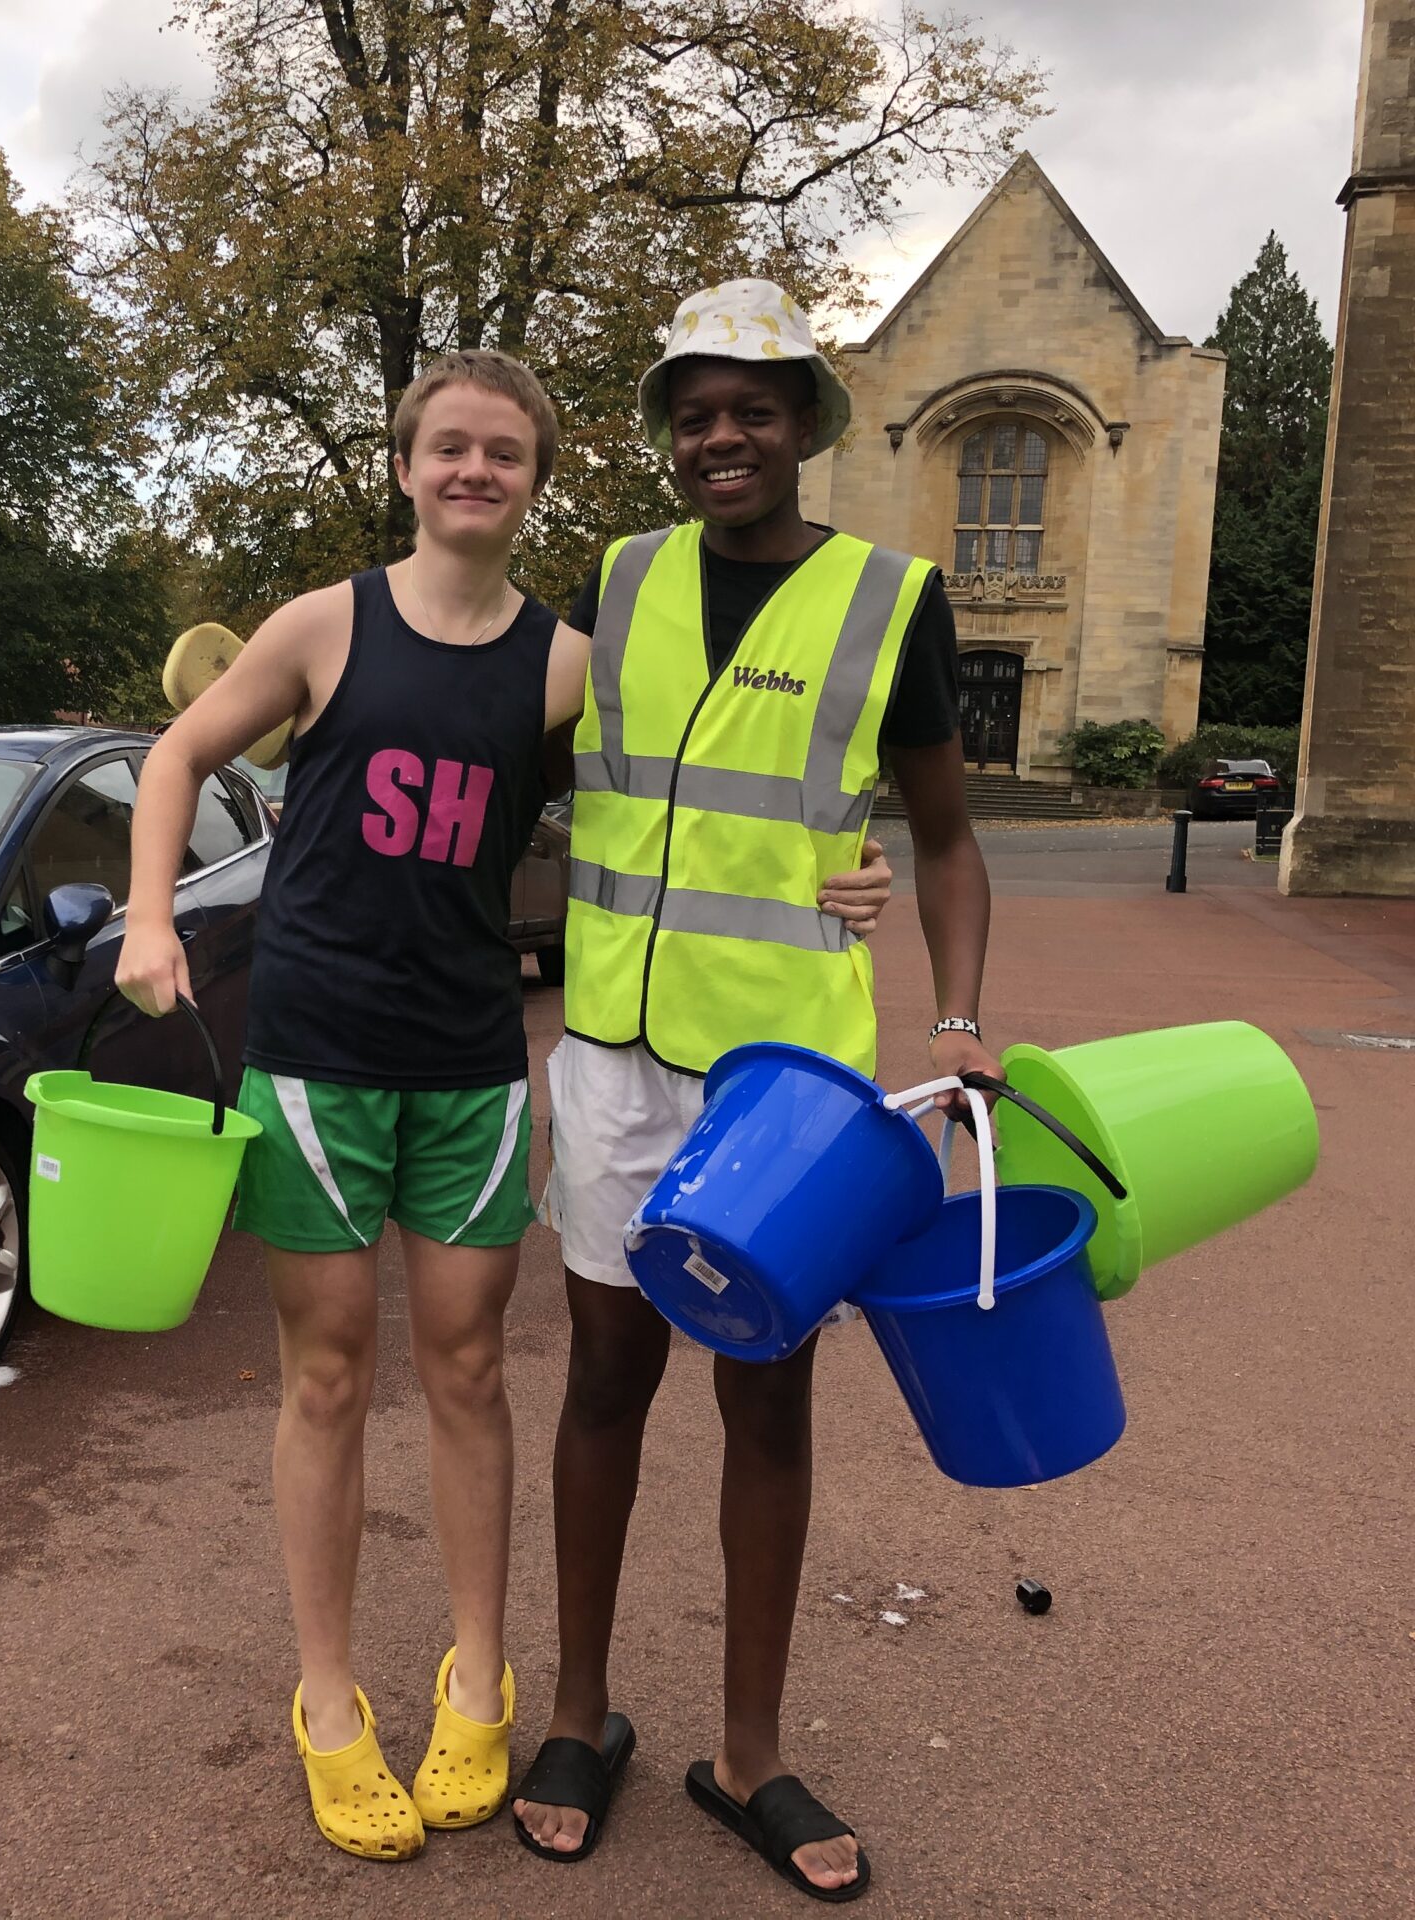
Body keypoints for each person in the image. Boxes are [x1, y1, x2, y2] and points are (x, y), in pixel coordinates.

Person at [116, 347, 896, 1864]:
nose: (475, 472)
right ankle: (330, 1700)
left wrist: (845, 874)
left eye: (505, 454)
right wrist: (153, 918)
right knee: (328, 1375)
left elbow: (690, 799)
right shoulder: (325, 624)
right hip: (316, 1060)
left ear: (535, 481)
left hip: (471, 1062)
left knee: (471, 1369)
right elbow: (175, 753)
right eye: (449, 448)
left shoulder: (569, 663)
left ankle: (480, 1676)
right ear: (406, 467)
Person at [510, 279, 1000, 1903]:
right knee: (600, 1383)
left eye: (754, 407)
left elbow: (942, 837)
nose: (723, 435)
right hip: (613, 1060)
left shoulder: (886, 600)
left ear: (807, 424)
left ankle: (750, 1752)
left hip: (785, 1088)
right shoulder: (621, 579)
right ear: (670, 436)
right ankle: (580, 1716)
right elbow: (509, 741)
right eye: (695, 410)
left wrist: (962, 1016)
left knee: (765, 1398)